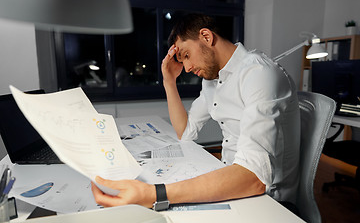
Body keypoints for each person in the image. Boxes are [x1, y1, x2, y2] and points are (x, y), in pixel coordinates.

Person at [91, 13, 301, 210]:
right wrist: (169, 82)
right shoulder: (213, 80)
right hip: (231, 178)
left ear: (206, 36)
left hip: (269, 201)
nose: (188, 68)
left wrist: (155, 194)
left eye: (187, 55)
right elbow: (186, 133)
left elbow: (255, 178)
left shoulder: (259, 74)